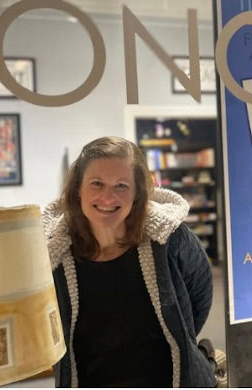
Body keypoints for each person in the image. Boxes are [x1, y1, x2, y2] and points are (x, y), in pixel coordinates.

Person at [42, 136, 215, 387]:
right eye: (97, 183)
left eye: (121, 185)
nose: (108, 197)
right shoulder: (55, 253)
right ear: (78, 188)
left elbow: (200, 295)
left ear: (137, 193)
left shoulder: (169, 237)